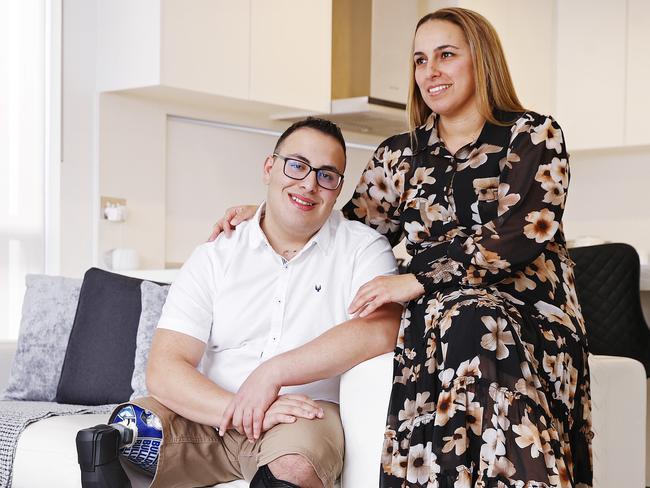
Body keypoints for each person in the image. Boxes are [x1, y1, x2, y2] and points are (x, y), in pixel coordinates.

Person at [208, 8, 593, 488]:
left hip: (527, 314)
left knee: (473, 319)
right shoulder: (399, 155)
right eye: (419, 60)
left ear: (482, 60)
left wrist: (418, 280)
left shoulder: (533, 134)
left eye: (446, 55)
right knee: (460, 319)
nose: (430, 71)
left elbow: (523, 231)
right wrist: (268, 210)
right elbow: (344, 226)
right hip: (438, 323)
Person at [100, 117, 402, 488]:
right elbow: (164, 367)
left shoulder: (362, 249)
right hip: (209, 416)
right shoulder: (217, 253)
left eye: (327, 175)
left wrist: (272, 373)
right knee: (116, 436)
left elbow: (382, 329)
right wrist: (241, 408)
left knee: (296, 465)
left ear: (338, 189)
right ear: (269, 168)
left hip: (300, 416)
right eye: (297, 165)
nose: (309, 184)